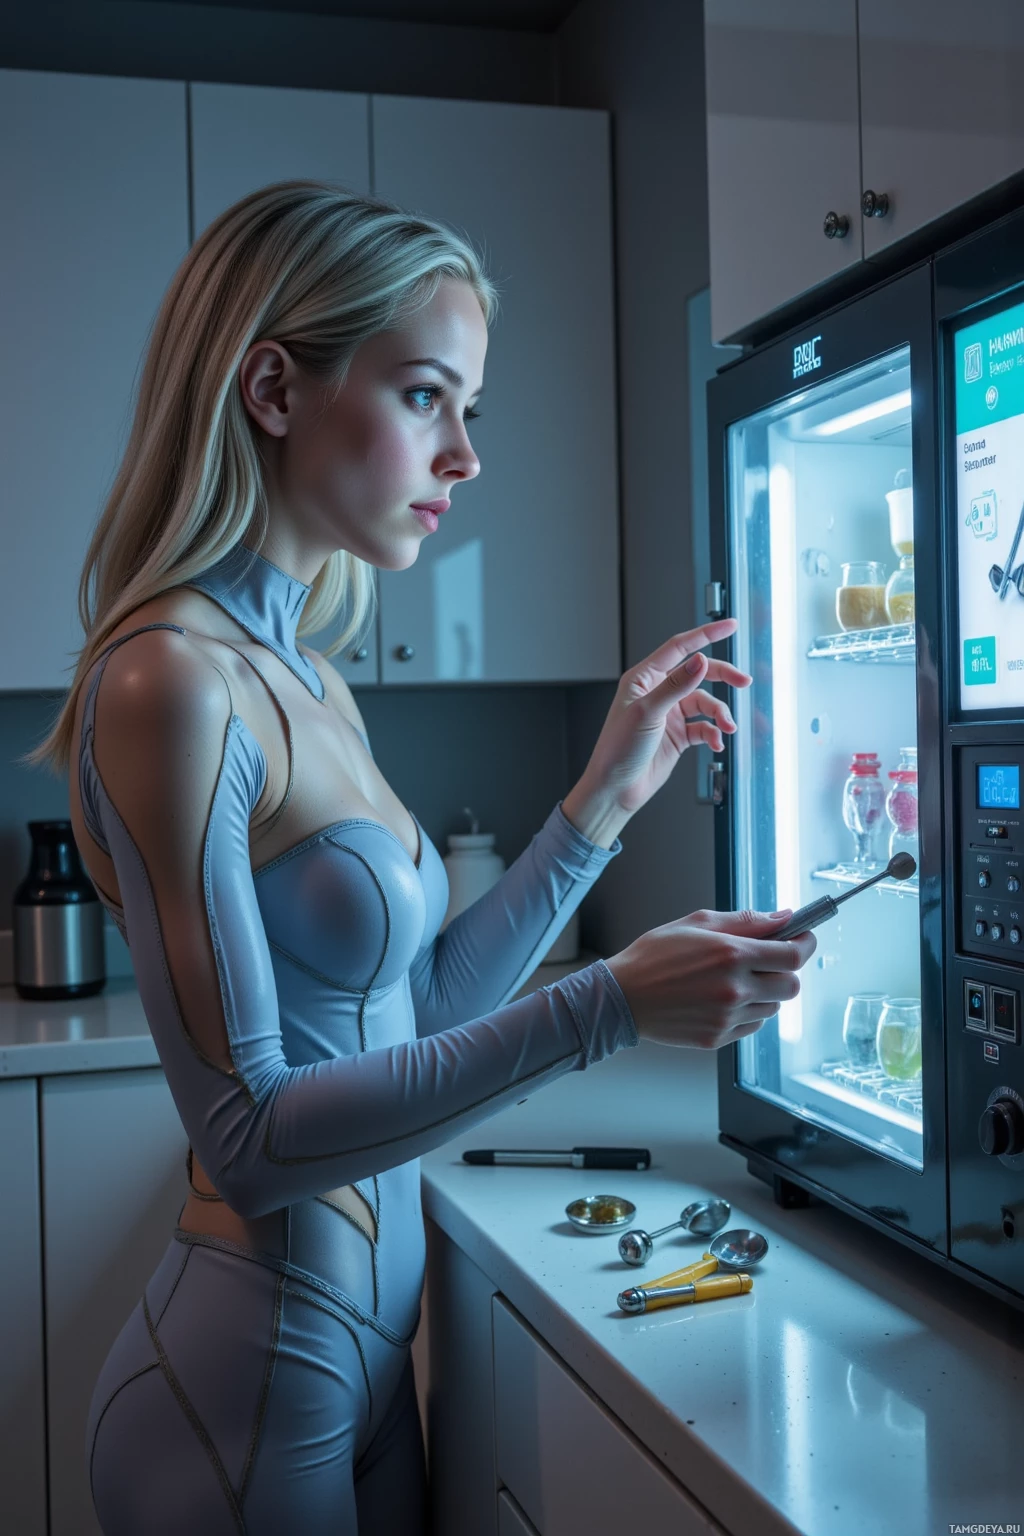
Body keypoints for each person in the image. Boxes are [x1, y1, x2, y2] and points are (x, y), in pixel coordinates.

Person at [33, 181, 815, 1535]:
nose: (464, 456)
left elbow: (420, 1012)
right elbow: (257, 1137)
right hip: (237, 1389)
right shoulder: (169, 682)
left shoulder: (312, 679)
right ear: (273, 389)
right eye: (423, 397)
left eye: (470, 410)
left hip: (371, 1354)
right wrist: (610, 1002)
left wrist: (601, 805)